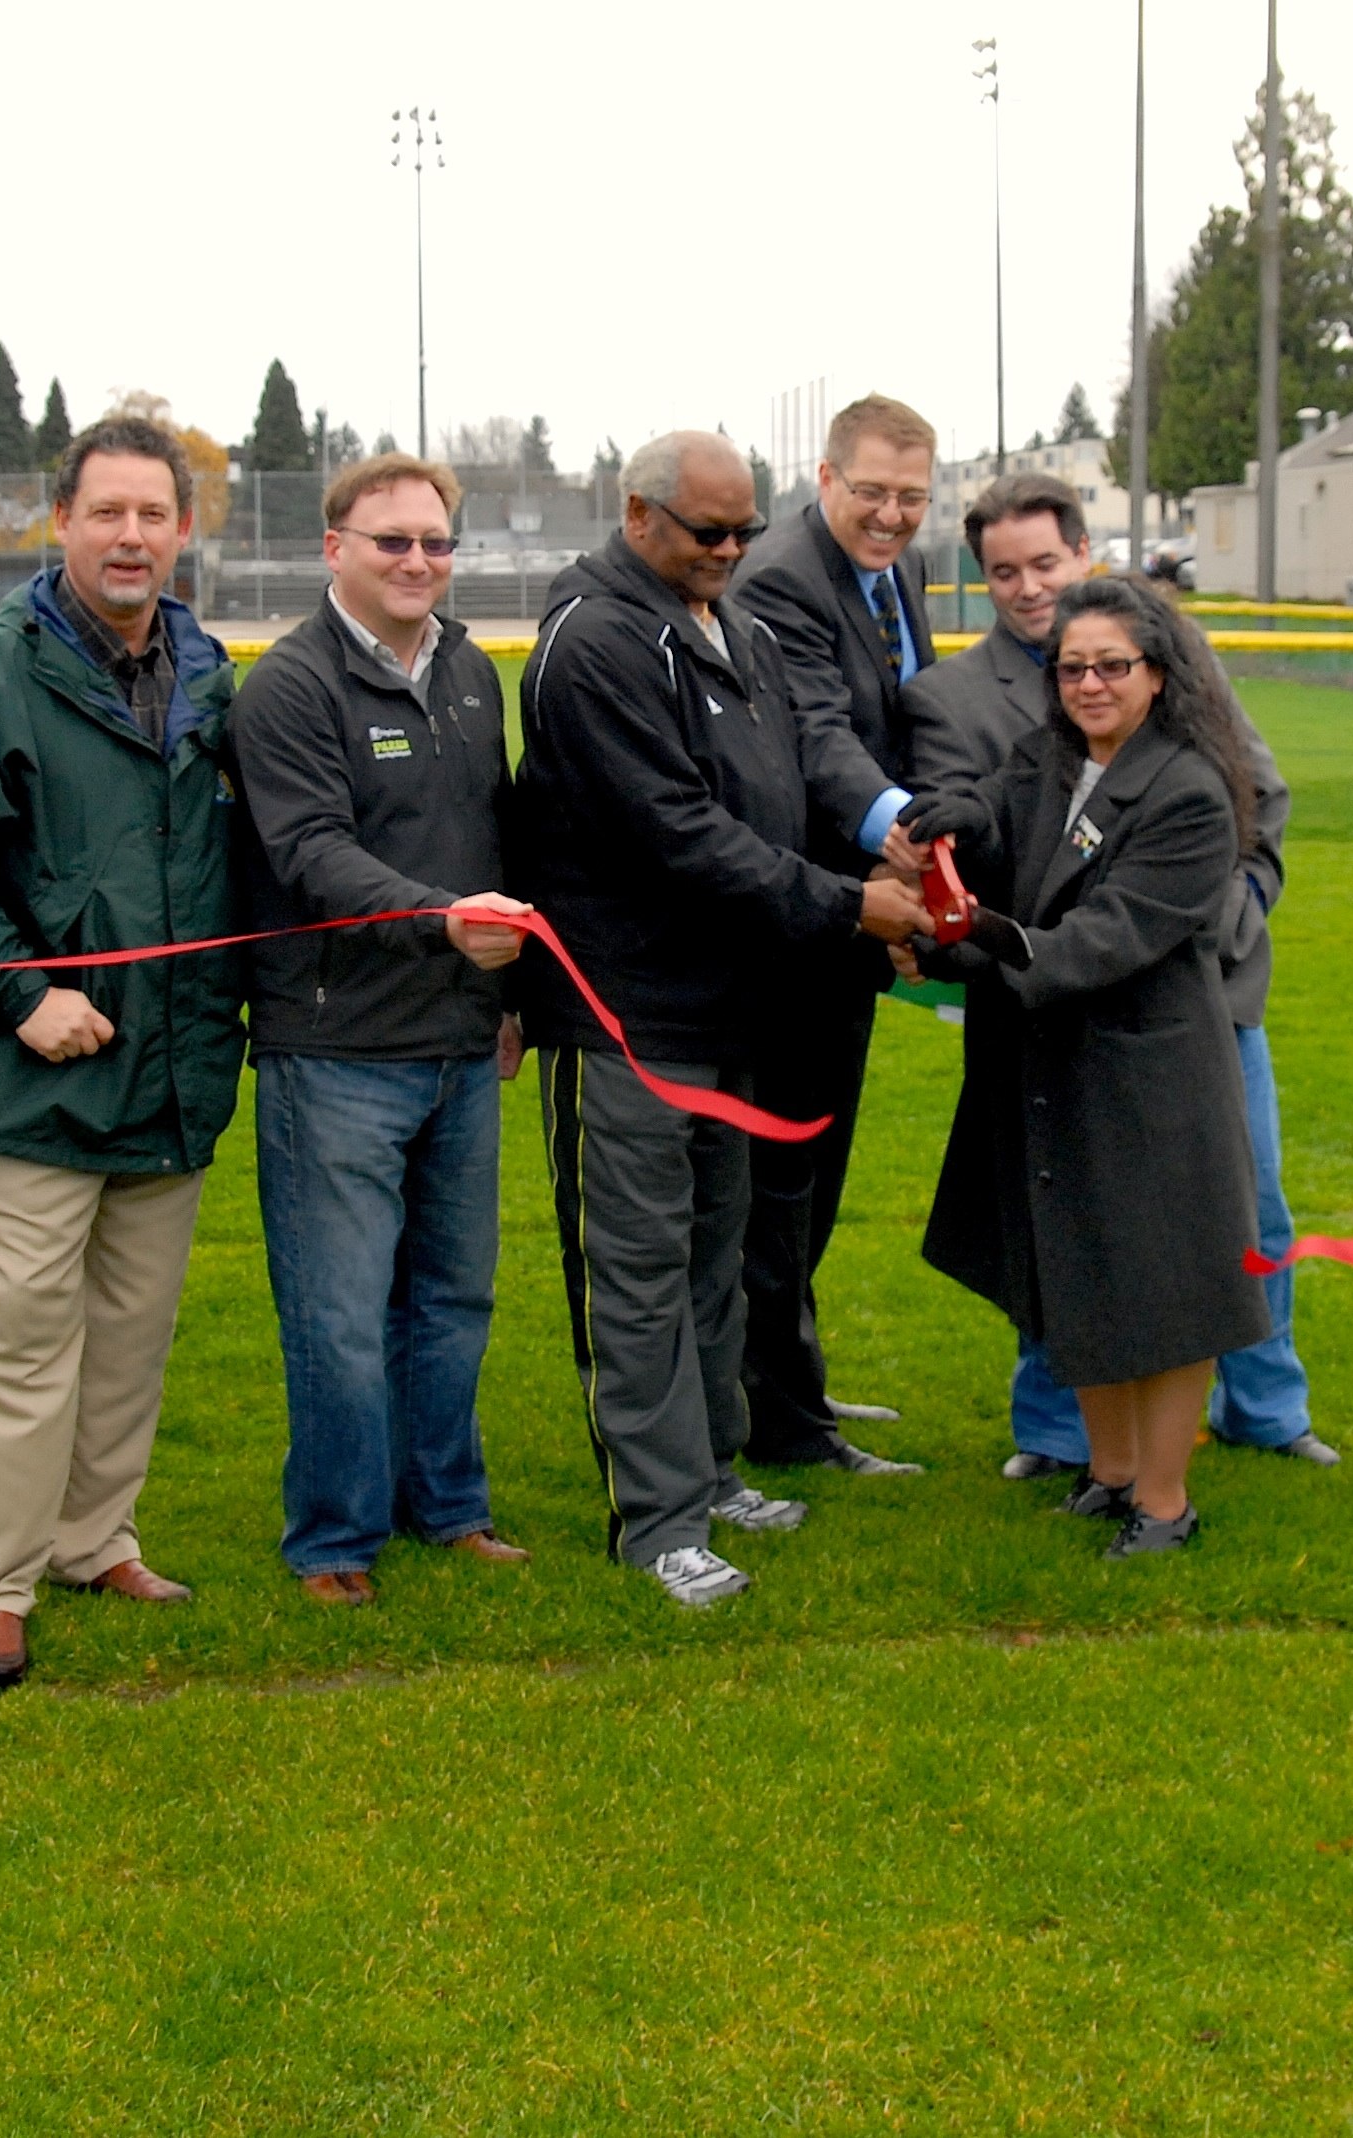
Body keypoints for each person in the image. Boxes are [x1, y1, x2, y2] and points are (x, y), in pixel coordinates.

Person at [506, 431, 931, 1608]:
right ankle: (655, 1524)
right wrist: (849, 906)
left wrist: (884, 852)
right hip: (626, 1017)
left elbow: (793, 775)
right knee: (634, 1274)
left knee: (710, 1261)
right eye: (709, 531)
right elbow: (681, 835)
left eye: (746, 527)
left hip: (731, 1011)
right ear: (638, 513)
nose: (734, 550)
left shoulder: (731, 622)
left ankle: (712, 1466)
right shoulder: (593, 642)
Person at [0, 417, 242, 1691]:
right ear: (61, 524)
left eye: (152, 515)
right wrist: (20, 994)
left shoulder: (208, 671)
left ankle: (94, 1538)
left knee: (129, 1336)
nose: (130, 536)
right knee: (12, 1342)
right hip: (30, 1080)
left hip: (170, 1070)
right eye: (106, 514)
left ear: (185, 529)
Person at [907, 474, 1337, 1483]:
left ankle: (1260, 1412)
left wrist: (1219, 916)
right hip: (1045, 1014)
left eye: (1044, 564)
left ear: (1085, 555)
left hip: (1182, 996)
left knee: (1229, 1218)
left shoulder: (1180, 675)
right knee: (1066, 1221)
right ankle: (1076, 1450)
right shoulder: (963, 701)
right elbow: (983, 803)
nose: (1026, 586)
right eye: (1003, 570)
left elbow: (1252, 805)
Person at [222, 451, 536, 1606]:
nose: (417, 561)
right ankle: (335, 1536)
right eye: (392, 540)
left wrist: (506, 999)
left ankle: (447, 1506)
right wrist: (441, 922)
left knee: (453, 1300)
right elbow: (308, 852)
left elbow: (492, 840)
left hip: (459, 1042)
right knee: (341, 1313)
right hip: (337, 1048)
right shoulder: (290, 688)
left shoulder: (467, 669)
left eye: (436, 542)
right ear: (334, 548)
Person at [899, 576, 1266, 1557]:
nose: (1091, 684)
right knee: (1077, 1268)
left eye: (1113, 665)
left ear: (1158, 675)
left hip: (1149, 1076)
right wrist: (947, 833)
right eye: (1073, 668)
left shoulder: (1189, 791)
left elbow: (1098, 941)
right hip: (1050, 1060)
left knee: (1166, 1289)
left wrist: (963, 932)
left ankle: (1163, 1502)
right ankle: (1108, 1474)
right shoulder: (1053, 759)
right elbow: (991, 807)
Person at [722, 394, 940, 1476]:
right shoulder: (781, 580)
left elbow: (913, 719)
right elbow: (816, 734)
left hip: (854, 921)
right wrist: (905, 830)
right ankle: (784, 1421)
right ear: (823, 477)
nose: (891, 516)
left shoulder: (894, 576)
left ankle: (788, 1375)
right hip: (791, 924)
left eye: (911, 497)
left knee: (817, 1170)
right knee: (783, 1178)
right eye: (872, 493)